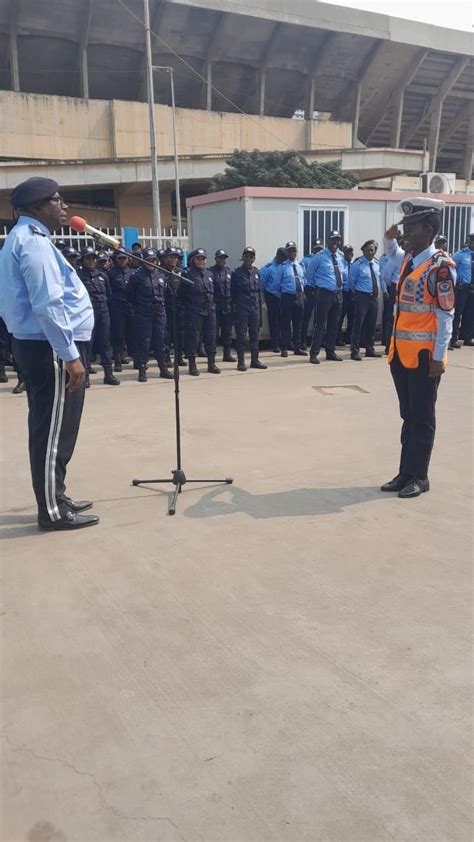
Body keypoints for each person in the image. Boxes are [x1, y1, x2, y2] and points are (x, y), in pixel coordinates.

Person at [0, 176, 99, 530]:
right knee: (53, 430)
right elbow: (48, 305)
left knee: (54, 426)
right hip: (49, 348)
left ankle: (55, 495)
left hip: (44, 345)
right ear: (38, 207)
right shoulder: (34, 244)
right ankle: (52, 511)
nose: (65, 207)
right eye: (57, 200)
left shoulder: (26, 238)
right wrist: (70, 356)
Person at [381, 197, 456, 499]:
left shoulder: (439, 267)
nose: (405, 233)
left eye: (411, 228)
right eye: (405, 228)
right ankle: (405, 473)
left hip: (425, 357)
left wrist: (439, 357)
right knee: (408, 415)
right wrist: (388, 239)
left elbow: (445, 315)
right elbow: (393, 254)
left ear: (429, 229)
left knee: (422, 417)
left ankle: (419, 477)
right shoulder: (411, 261)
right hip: (400, 354)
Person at [125, 247, 174, 383]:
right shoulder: (136, 276)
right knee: (144, 341)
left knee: (161, 340)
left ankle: (163, 368)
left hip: (159, 311)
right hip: (144, 312)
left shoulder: (160, 274)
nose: (151, 263)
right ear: (143, 261)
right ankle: (142, 369)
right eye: (148, 260)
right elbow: (129, 295)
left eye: (153, 260)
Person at [77, 247, 120, 387]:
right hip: (87, 313)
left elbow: (109, 294)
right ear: (82, 260)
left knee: (105, 343)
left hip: (103, 312)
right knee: (87, 345)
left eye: (93, 258)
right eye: (88, 258)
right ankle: (86, 375)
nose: (91, 261)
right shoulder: (78, 276)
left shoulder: (102, 275)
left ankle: (108, 374)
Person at [306, 230, 347, 364]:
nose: (335, 243)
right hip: (324, 294)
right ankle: (314, 353)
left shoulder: (341, 257)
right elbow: (309, 276)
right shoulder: (319, 257)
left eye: (338, 240)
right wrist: (318, 287)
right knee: (320, 324)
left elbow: (343, 275)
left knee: (334, 325)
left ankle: (330, 351)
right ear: (328, 241)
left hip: (338, 294)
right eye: (333, 240)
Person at [179, 248, 220, 377]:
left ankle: (211, 363)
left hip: (209, 310)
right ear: (192, 260)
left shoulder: (209, 274)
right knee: (193, 339)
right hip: (194, 311)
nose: (201, 261)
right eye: (198, 259)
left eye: (203, 259)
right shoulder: (187, 274)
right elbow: (181, 294)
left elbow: (216, 292)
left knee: (211, 337)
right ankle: (192, 365)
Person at [349, 240, 386, 361]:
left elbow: (381, 279)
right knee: (358, 324)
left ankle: (370, 349)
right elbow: (351, 282)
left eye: (373, 250)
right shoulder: (358, 264)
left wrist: (384, 292)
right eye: (368, 250)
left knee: (371, 324)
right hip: (362, 296)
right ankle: (354, 351)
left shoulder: (376, 263)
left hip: (374, 297)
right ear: (363, 251)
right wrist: (356, 294)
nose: (371, 252)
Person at [231, 247, 267, 372]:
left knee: (254, 335)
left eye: (251, 257)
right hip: (242, 309)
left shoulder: (257, 272)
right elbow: (233, 293)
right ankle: (241, 362)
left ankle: (254, 360)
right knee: (241, 336)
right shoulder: (236, 273)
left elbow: (258, 292)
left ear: (254, 259)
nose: (249, 259)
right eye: (246, 256)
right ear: (243, 257)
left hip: (255, 309)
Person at [108, 248, 134, 371]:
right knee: (118, 334)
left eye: (125, 258)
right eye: (120, 258)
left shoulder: (133, 273)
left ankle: (131, 358)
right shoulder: (110, 274)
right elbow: (108, 291)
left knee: (132, 334)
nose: (123, 260)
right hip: (117, 307)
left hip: (130, 306)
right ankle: (118, 360)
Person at [278, 241, 306, 357]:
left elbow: (303, 280)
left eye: (294, 250)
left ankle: (297, 347)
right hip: (287, 297)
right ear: (287, 252)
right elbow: (277, 284)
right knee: (285, 324)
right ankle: (284, 348)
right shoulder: (282, 267)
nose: (292, 253)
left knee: (298, 324)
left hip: (298, 297)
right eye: (290, 251)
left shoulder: (300, 266)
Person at [209, 249, 235, 362]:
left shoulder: (229, 272)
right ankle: (212, 356)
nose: (222, 260)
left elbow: (233, 289)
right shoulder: (210, 272)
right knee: (213, 333)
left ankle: (227, 354)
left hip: (227, 307)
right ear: (216, 259)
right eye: (220, 258)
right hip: (215, 307)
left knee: (227, 332)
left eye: (224, 258)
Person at [260, 247, 286, 353]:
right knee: (274, 322)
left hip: (284, 297)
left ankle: (284, 343)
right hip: (272, 297)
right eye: (282, 258)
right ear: (277, 256)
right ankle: (275, 344)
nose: (284, 260)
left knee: (284, 322)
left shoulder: (285, 266)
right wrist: (263, 302)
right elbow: (261, 286)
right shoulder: (268, 268)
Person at [162, 246, 186, 366]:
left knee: (180, 333)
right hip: (166, 307)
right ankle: (166, 357)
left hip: (179, 307)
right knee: (167, 334)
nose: (173, 260)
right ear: (165, 259)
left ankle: (179, 356)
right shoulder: (160, 272)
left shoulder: (181, 272)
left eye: (175, 257)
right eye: (170, 257)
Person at [451, 233, 474, 348]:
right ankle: (453, 338)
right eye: (471, 240)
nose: (472, 243)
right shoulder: (460, 255)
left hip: (473, 287)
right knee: (457, 313)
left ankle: (467, 337)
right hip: (462, 287)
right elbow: (452, 269)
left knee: (470, 314)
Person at [301, 239, 323, 348]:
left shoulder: (325, 259)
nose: (318, 250)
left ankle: (317, 341)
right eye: (317, 248)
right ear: (313, 248)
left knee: (319, 317)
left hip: (321, 290)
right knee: (306, 316)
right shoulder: (306, 260)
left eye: (320, 248)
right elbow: (303, 276)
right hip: (310, 290)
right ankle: (303, 341)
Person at [380, 247, 400, 354]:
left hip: (407, 289)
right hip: (395, 288)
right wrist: (391, 288)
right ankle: (388, 346)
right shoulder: (396, 257)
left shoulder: (413, 256)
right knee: (392, 318)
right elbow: (386, 276)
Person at [336, 244, 354, 346]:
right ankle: (338, 338)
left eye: (351, 252)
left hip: (352, 293)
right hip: (343, 293)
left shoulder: (355, 264)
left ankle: (349, 337)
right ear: (344, 253)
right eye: (347, 252)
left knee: (352, 317)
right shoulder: (341, 264)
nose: (349, 254)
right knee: (340, 317)